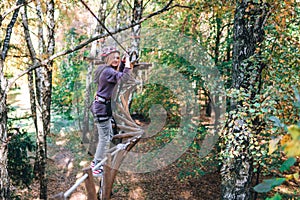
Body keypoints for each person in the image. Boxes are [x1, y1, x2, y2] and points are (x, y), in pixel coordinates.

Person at [90, 46, 132, 177]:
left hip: (102, 106)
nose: (116, 60)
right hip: (101, 108)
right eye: (113, 57)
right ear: (107, 58)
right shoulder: (108, 71)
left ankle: (95, 162)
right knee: (104, 139)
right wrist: (129, 63)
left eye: (118, 58)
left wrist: (123, 64)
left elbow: (118, 75)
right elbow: (124, 78)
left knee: (107, 136)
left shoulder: (105, 69)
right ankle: (96, 166)